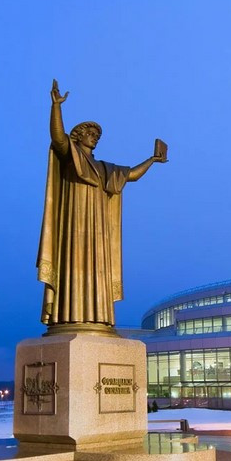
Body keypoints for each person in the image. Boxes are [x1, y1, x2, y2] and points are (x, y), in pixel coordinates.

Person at [37, 80, 167, 333]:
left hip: (97, 227)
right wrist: (56, 108)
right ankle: (69, 316)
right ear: (78, 136)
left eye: (97, 136)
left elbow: (131, 175)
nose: (95, 138)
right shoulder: (70, 156)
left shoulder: (103, 168)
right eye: (90, 134)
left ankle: (97, 318)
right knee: (72, 262)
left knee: (97, 267)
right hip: (74, 221)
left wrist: (152, 159)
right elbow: (58, 137)